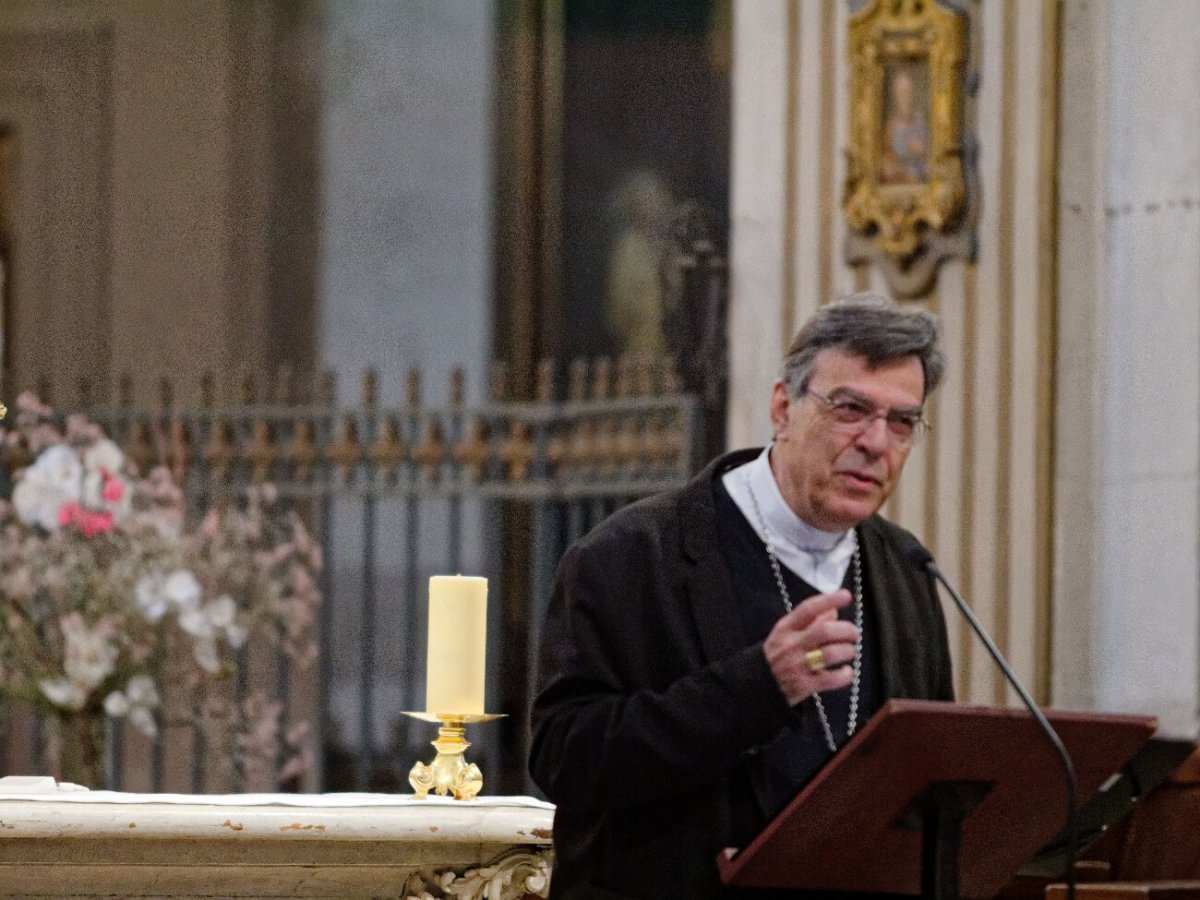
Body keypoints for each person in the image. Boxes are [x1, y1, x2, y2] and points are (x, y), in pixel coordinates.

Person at [529, 294, 955, 899]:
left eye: (902, 421)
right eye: (851, 408)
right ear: (783, 406)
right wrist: (758, 687)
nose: (875, 442)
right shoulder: (632, 555)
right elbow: (564, 759)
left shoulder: (906, 569)